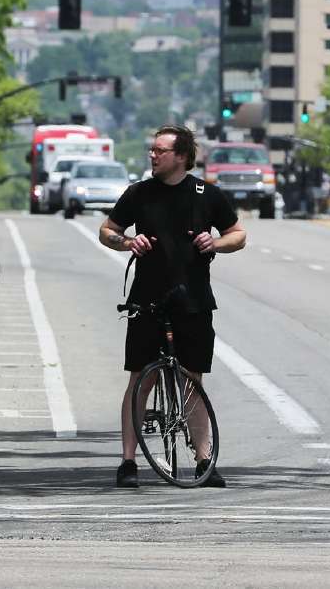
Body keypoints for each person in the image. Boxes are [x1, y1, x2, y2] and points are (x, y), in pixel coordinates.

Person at [99, 124, 246, 488]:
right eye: (152, 149)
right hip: (147, 300)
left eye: (160, 150)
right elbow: (107, 230)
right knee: (141, 379)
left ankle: (202, 460)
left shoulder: (207, 194)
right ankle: (128, 462)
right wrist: (127, 242)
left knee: (192, 381)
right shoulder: (139, 193)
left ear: (181, 156)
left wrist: (217, 244)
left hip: (194, 300)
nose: (152, 155)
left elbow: (238, 234)